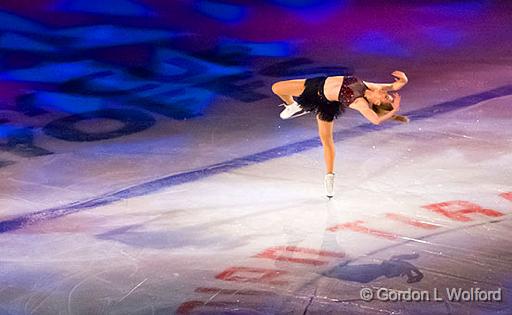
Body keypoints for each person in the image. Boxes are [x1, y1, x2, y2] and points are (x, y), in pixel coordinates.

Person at [271, 71, 409, 198]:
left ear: (377, 102)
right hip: (316, 84)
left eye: (386, 96)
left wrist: (393, 111)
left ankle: (329, 176)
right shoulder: (370, 86)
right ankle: (293, 105)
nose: (384, 91)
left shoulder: (360, 102)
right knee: (276, 88)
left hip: (326, 104)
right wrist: (404, 78)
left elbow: (376, 120)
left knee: (326, 140)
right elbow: (395, 85)